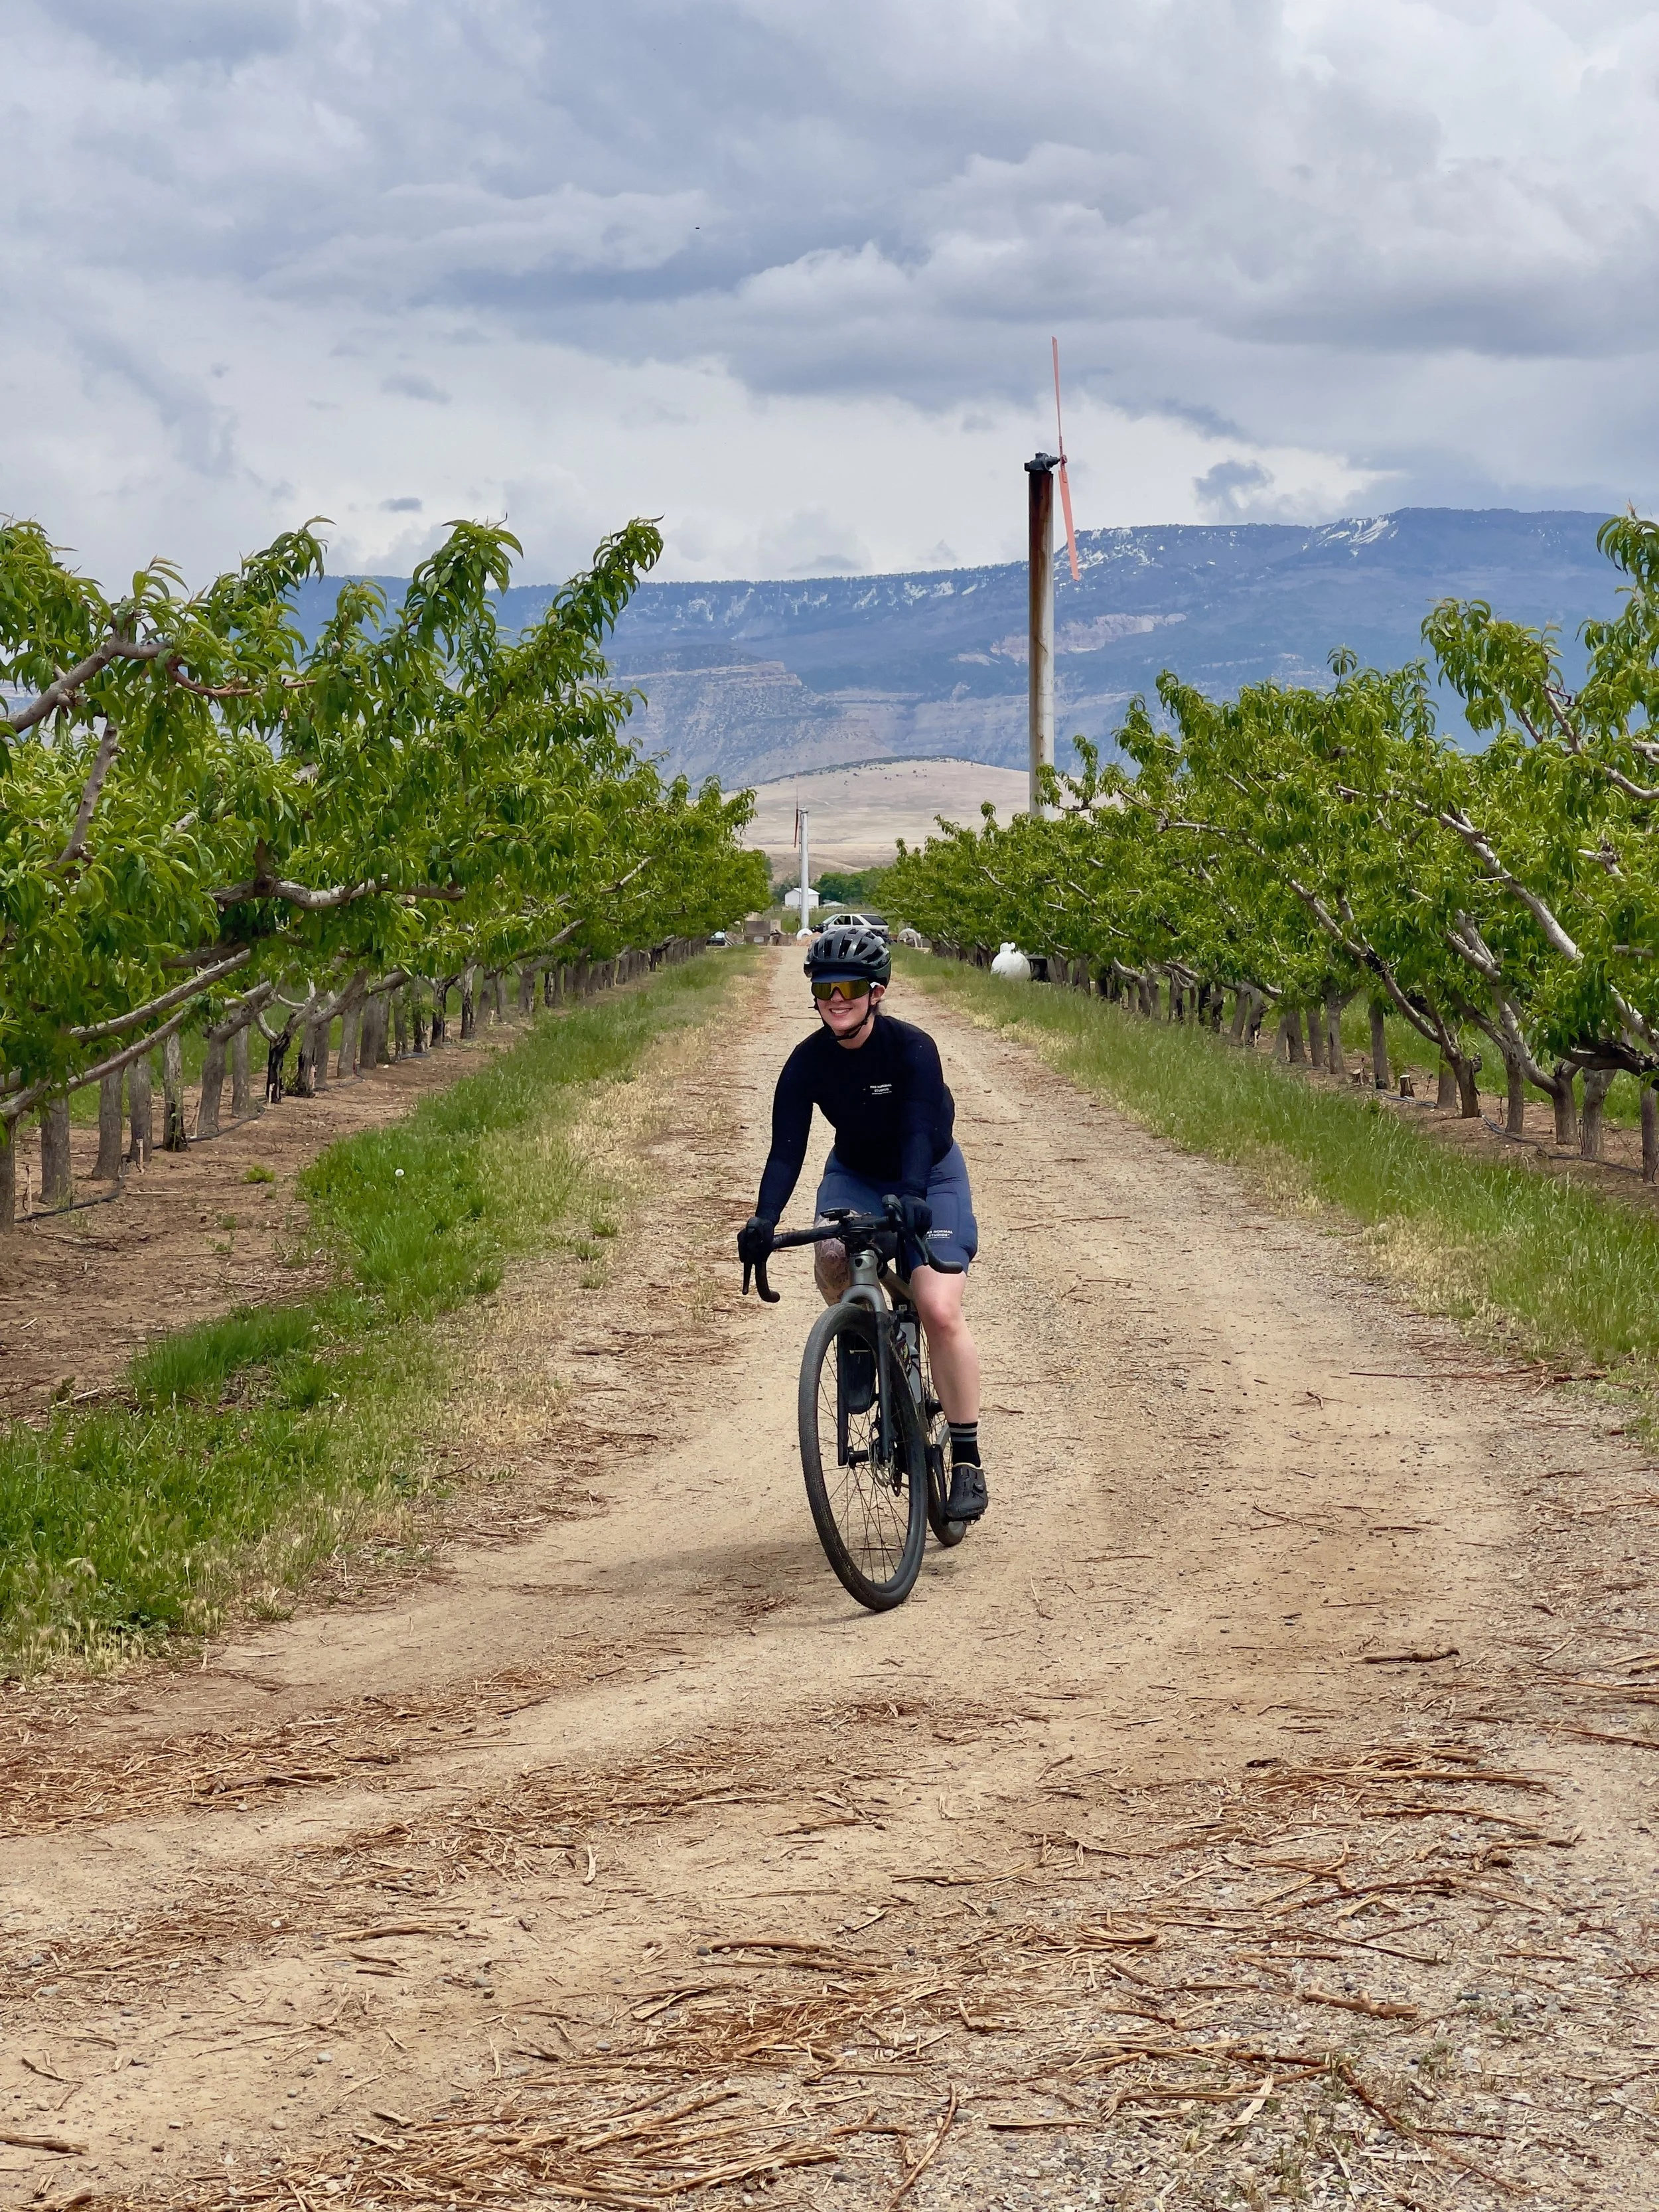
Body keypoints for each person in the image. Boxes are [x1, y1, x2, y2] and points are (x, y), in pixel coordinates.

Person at [737, 925, 987, 1521]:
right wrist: (763, 1219)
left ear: (877, 991)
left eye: (848, 986)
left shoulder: (912, 1048)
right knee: (830, 1255)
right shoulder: (807, 1063)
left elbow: (921, 1129)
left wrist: (913, 1196)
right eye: (824, 988)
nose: (835, 998)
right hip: (853, 1171)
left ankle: (968, 1460)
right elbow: (786, 1152)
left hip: (928, 1171)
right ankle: (861, 1332)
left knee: (938, 1306)